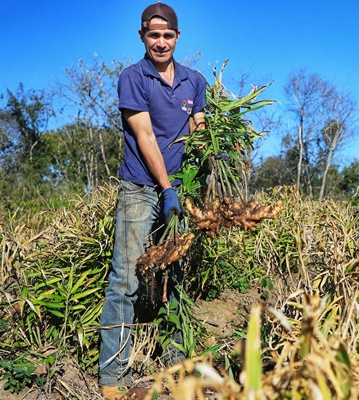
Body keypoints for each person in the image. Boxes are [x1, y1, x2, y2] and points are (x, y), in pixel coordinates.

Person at [99, 2, 206, 398]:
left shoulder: (194, 81)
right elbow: (144, 136)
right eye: (153, 35)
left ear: (178, 37)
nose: (161, 42)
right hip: (142, 188)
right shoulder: (133, 77)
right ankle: (113, 377)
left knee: (175, 277)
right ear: (143, 37)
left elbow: (198, 125)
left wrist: (212, 151)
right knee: (126, 279)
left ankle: (174, 367)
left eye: (167, 35)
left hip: (182, 191)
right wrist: (167, 188)